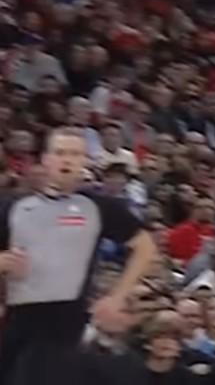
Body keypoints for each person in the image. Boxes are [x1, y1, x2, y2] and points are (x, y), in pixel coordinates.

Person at [0, 126, 160, 383]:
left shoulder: (99, 206)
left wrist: (117, 297)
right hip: (18, 322)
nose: (67, 160)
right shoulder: (12, 206)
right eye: (60, 152)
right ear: (45, 159)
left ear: (85, 161)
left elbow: (146, 247)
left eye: (75, 154)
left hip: (69, 328)